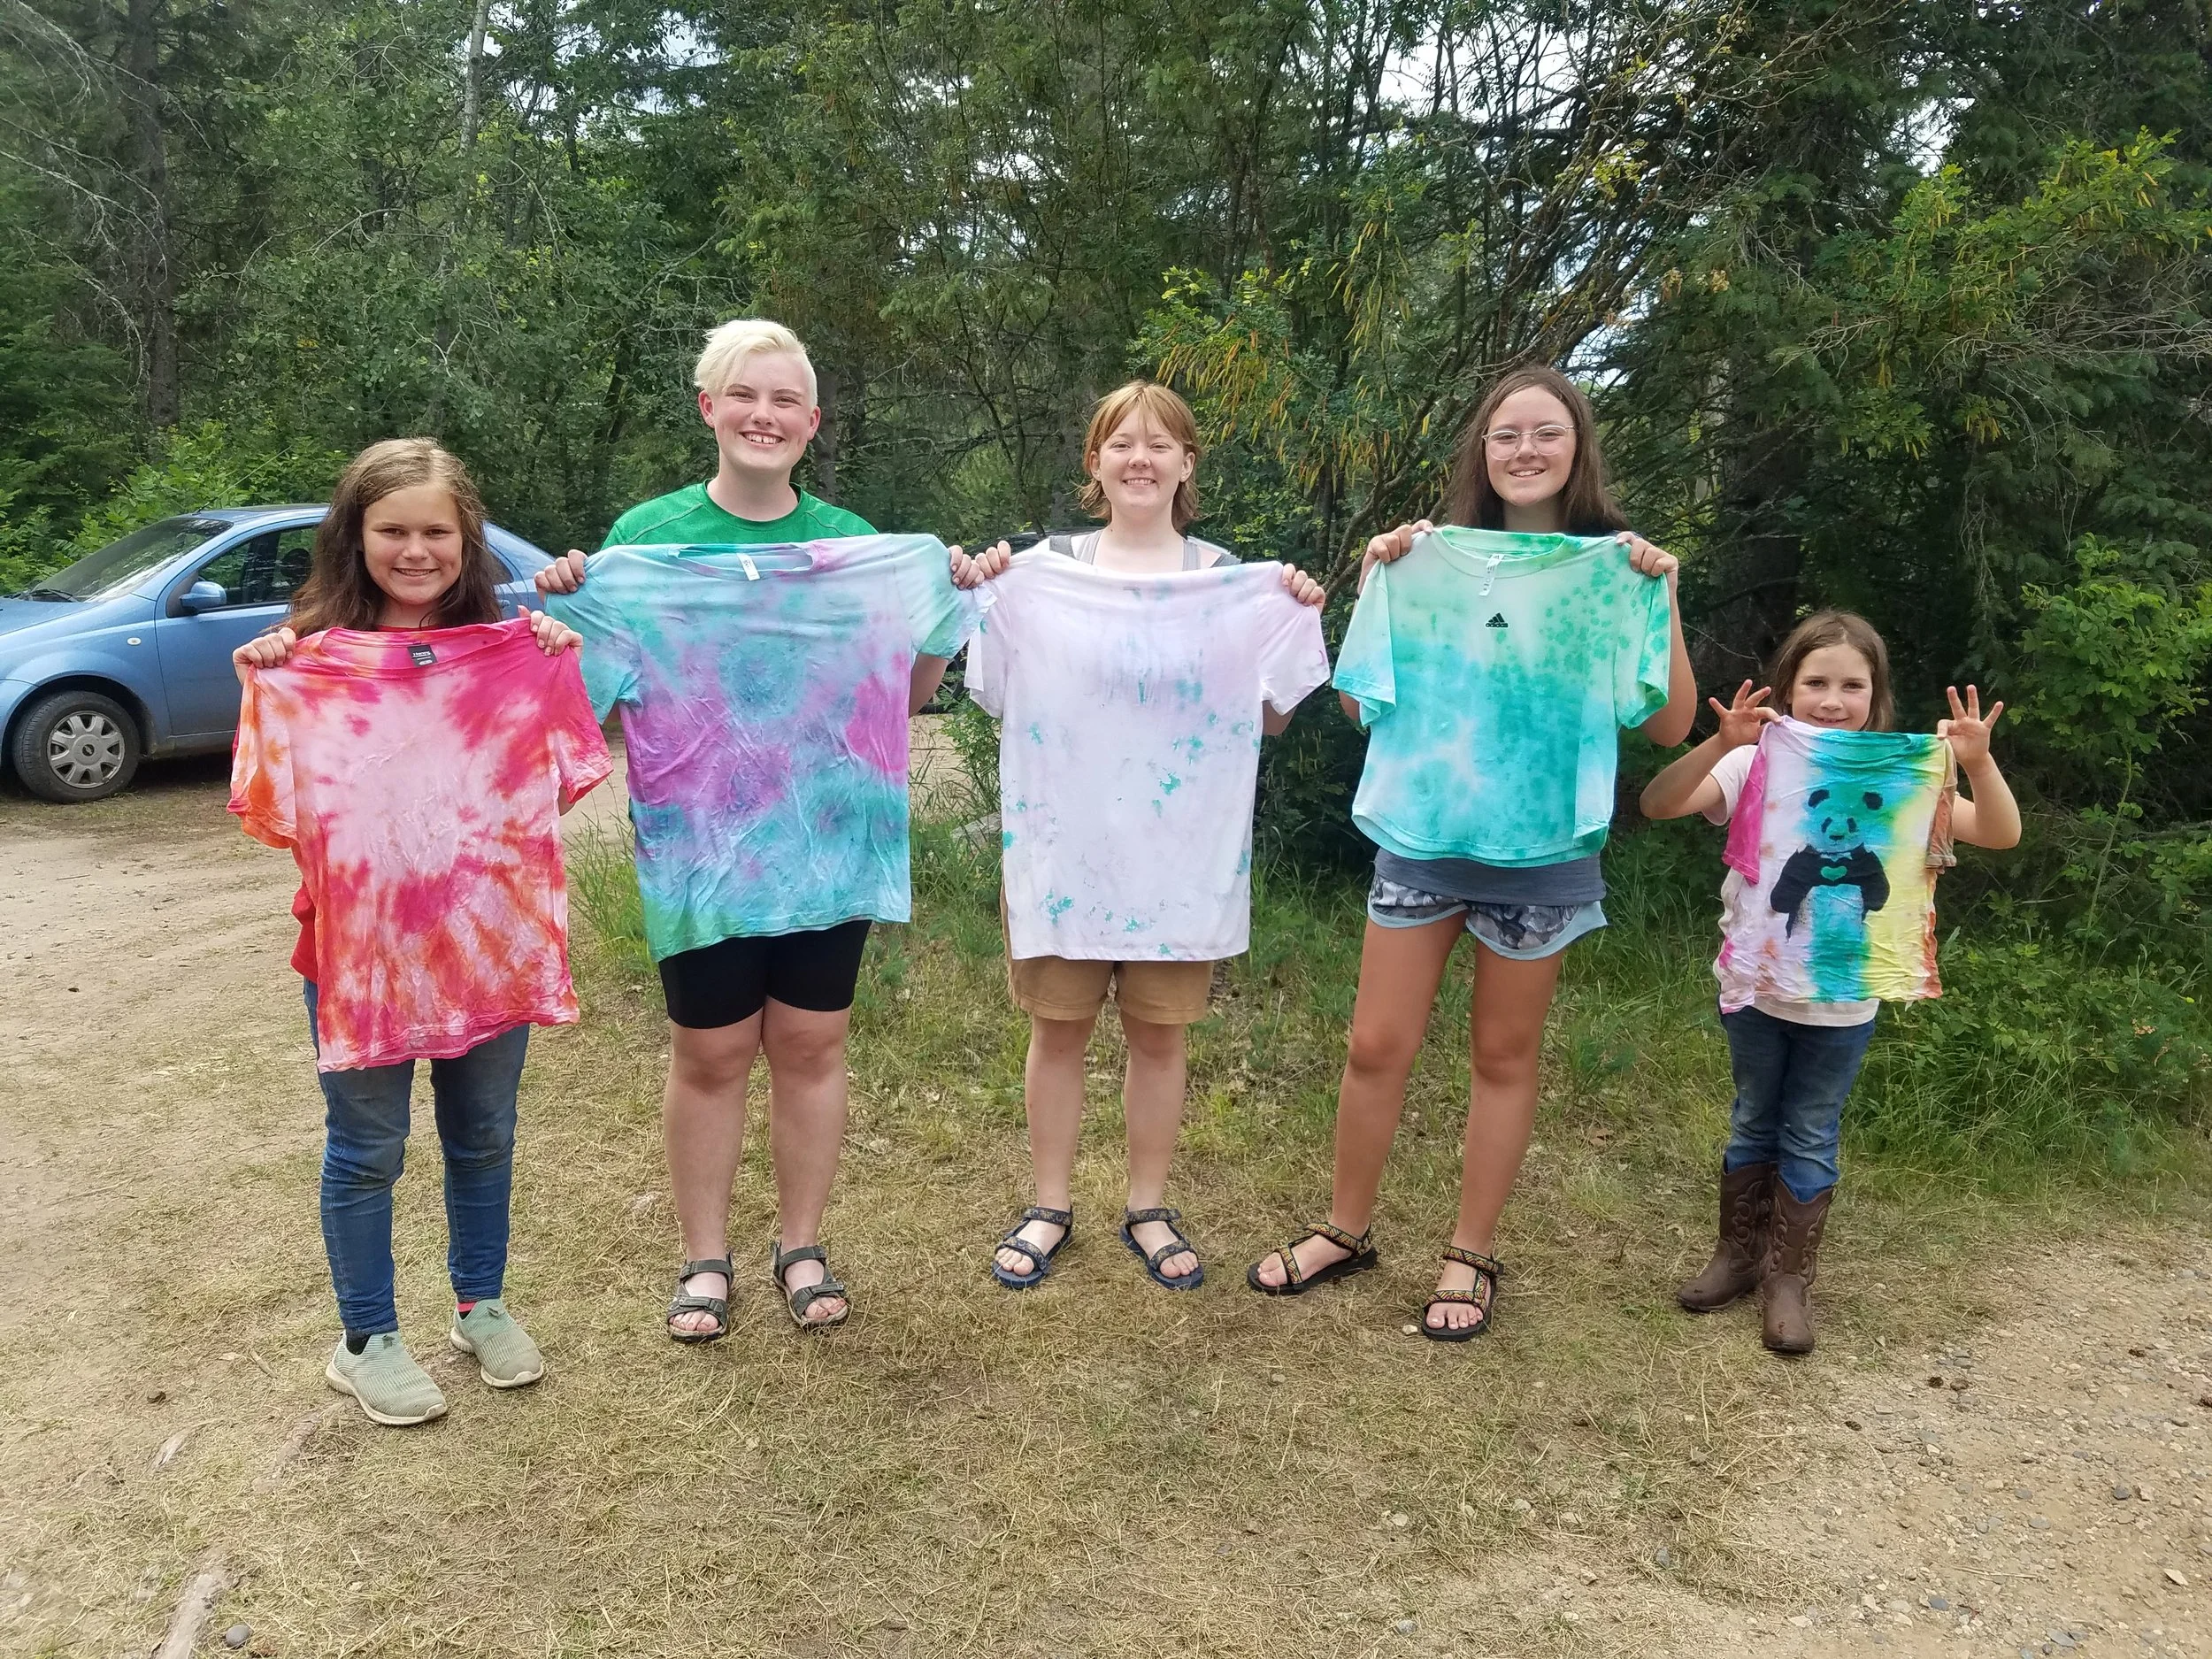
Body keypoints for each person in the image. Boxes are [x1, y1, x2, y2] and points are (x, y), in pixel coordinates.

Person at [537, 318, 979, 1338]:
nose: (763, 415)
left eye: (784, 400)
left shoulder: (860, 548)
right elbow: (594, 704)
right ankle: (704, 1257)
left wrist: (947, 602)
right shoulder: (642, 545)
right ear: (709, 408)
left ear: (812, 422)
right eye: (745, 394)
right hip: (701, 855)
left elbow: (906, 695)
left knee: (814, 1043)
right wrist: (573, 606)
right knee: (710, 1053)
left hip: (830, 841)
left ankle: (802, 1244)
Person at [1245, 364, 1696, 1339]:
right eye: (1505, 434)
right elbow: (1363, 705)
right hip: (1422, 838)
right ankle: (1345, 1229)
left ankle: (1469, 1252)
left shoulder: (1614, 572)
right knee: (1375, 1047)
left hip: (1542, 855)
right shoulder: (1417, 559)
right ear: (1480, 453)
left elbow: (1666, 727)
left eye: (1546, 432)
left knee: (1503, 1056)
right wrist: (1378, 582)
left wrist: (1662, 599)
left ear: (1577, 448)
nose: (1524, 450)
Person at [230, 438, 608, 1425]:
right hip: (361, 958)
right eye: (391, 530)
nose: (415, 549)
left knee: (483, 1135)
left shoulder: (517, 651)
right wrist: (272, 674)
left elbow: (546, 791)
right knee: (368, 1147)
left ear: (465, 538)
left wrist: (546, 665)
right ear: (355, 539)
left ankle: (480, 1304)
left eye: (435, 531)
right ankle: (365, 1340)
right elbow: (279, 815)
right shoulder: (301, 665)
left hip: (488, 943)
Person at [956, 382, 1329, 1293]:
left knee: (1161, 1040)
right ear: (1094, 462)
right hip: (1064, 856)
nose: (1140, 458)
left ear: (1187, 464)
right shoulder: (1036, 573)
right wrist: (987, 587)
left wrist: (1293, 606)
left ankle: (1148, 1204)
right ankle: (1048, 1204)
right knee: (1058, 1031)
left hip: (1178, 863)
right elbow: (997, 690)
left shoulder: (1231, 583)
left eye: (1160, 445)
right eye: (1121, 443)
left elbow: (1273, 717)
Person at [1640, 611, 2019, 1352]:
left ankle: (1788, 1279)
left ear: (1877, 697)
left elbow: (2000, 832)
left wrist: (1976, 762)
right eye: (1816, 681)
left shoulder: (1902, 776)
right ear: (1789, 686)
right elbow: (1659, 803)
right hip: (1755, 988)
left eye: (1853, 684)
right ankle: (1738, 1256)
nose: (1832, 698)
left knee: (1810, 1131)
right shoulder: (1758, 763)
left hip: (1844, 1003)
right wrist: (1722, 743)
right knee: (1754, 1118)